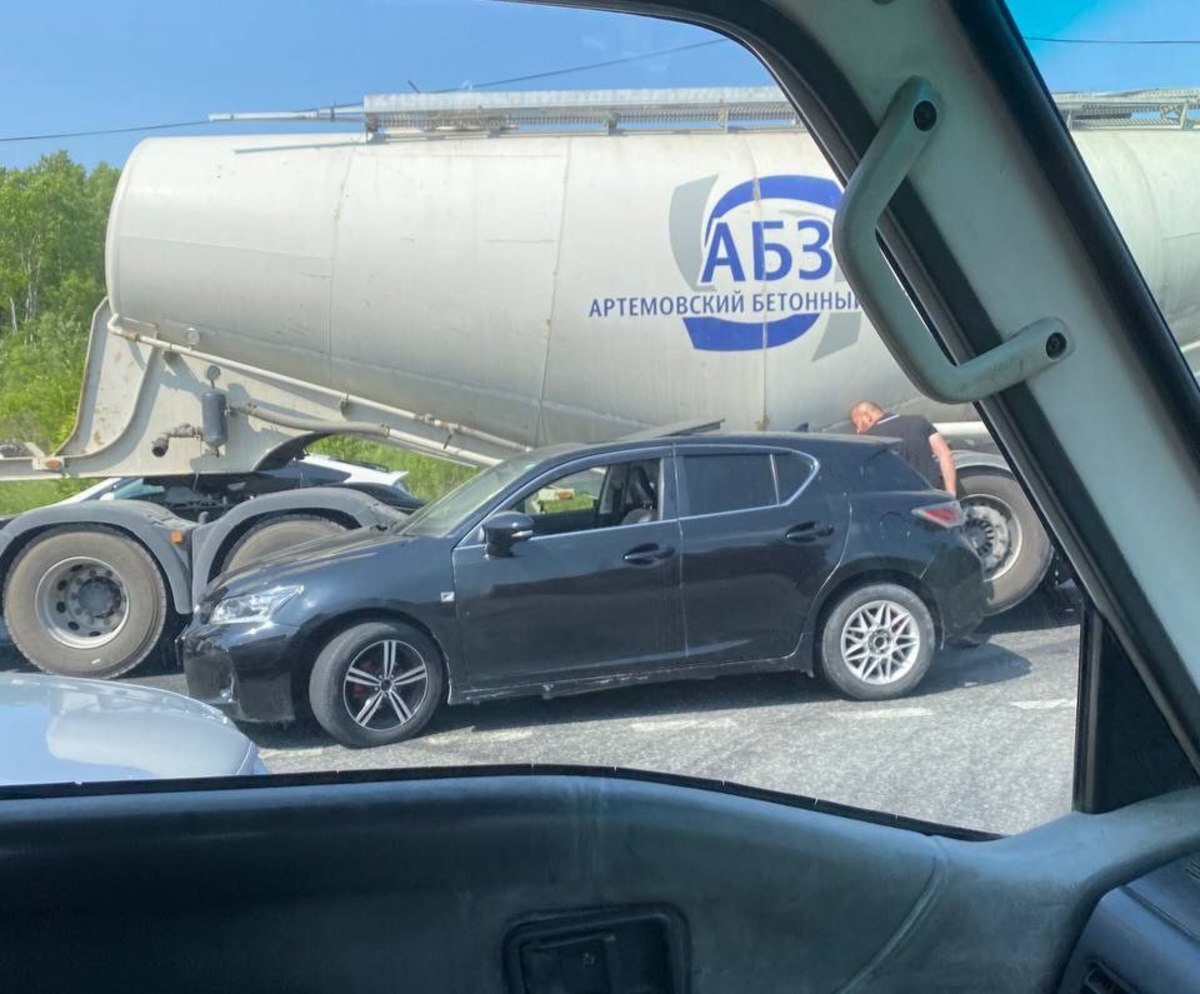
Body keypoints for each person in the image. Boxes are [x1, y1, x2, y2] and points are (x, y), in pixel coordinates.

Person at [849, 400, 957, 495]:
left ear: (868, 417)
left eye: (857, 424)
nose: (858, 431)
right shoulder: (918, 421)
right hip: (934, 497)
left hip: (903, 505)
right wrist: (951, 493)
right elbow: (945, 455)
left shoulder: (869, 440)